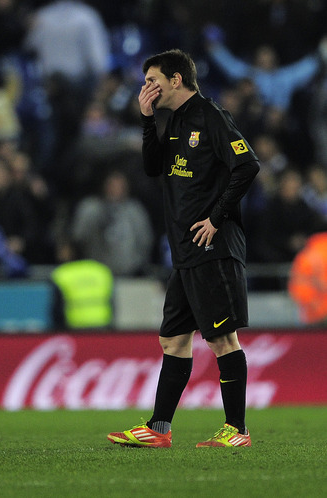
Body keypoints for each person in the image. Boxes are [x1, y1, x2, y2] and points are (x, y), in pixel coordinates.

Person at [107, 49, 260, 448]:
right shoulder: (173, 119)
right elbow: (154, 167)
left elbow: (248, 165)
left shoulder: (211, 117)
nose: (147, 87)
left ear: (176, 80)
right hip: (185, 250)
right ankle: (159, 430)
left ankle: (237, 430)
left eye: (153, 80)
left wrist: (216, 218)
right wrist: (145, 120)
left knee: (223, 339)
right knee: (173, 340)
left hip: (213, 245)